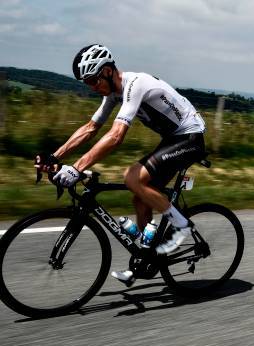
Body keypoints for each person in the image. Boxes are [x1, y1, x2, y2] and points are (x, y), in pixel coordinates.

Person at [48, 44, 206, 285]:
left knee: (132, 178)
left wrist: (77, 167)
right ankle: (148, 255)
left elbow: (116, 136)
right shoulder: (112, 93)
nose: (92, 87)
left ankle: (181, 225)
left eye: (93, 80)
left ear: (109, 71)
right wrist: (55, 157)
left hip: (190, 138)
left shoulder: (135, 84)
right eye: (86, 83)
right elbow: (91, 128)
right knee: (139, 196)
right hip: (172, 139)